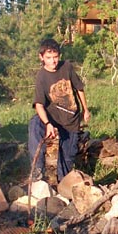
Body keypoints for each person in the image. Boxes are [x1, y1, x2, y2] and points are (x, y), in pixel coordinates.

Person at [27, 38, 90, 182]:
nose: (53, 61)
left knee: (67, 159)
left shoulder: (66, 67)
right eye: (48, 58)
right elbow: (39, 104)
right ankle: (37, 171)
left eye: (55, 57)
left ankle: (63, 183)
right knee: (35, 123)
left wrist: (85, 110)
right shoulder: (41, 76)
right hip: (52, 118)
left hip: (70, 121)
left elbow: (79, 88)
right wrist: (48, 124)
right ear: (41, 57)